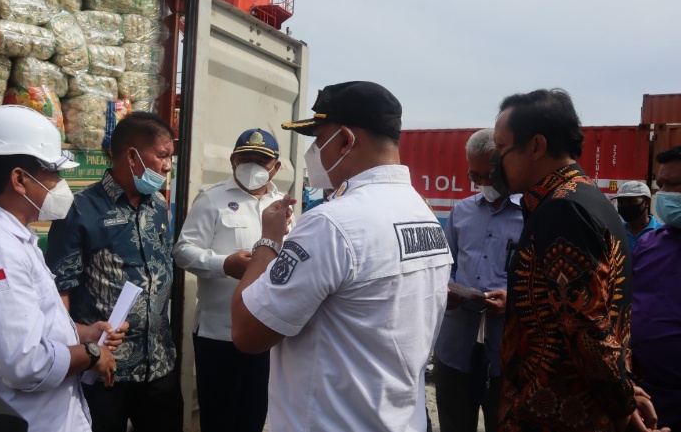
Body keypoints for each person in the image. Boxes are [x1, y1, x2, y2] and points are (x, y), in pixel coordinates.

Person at [230, 81, 453, 431]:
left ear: (346, 140)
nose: (314, 152)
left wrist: (268, 243)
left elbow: (247, 332)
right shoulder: (423, 214)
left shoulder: (332, 223)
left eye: (319, 141)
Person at [0, 105, 127, 432]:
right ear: (19, 180)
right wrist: (93, 353)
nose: (60, 184)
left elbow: (32, 324)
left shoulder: (16, 237)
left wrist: (84, 333)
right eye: (53, 173)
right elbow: (26, 364)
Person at [491, 88, 666, 432]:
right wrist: (625, 391)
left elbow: (588, 326)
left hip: (556, 413)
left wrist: (622, 407)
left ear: (536, 146)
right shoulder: (587, 198)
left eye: (501, 148)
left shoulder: (562, 210)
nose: (498, 161)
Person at [46, 112, 183, 432]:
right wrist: (77, 350)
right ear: (133, 156)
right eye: (162, 156)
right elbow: (59, 291)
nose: (167, 167)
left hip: (159, 363)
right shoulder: (80, 210)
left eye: (170, 158)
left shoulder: (159, 206)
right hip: (106, 371)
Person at [173, 128, 292, 432]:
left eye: (261, 161)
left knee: (254, 418)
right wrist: (224, 264)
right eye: (245, 158)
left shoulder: (283, 207)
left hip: (265, 334)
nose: (251, 166)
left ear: (275, 167)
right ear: (232, 160)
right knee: (219, 420)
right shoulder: (212, 199)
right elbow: (183, 252)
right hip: (218, 335)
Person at [433, 128, 523, 432]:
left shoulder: (534, 216)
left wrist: (515, 300)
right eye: (475, 176)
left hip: (508, 358)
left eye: (491, 175)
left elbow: (544, 281)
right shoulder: (461, 212)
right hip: (455, 349)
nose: (484, 184)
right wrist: (447, 289)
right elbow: (445, 265)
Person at [631, 145, 681, 431]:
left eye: (674, 185)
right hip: (648, 394)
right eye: (661, 185)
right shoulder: (650, 244)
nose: (664, 195)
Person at [612, 181, 662, 252]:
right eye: (621, 202)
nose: (625, 206)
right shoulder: (615, 232)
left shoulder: (662, 232)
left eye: (631, 201)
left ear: (647, 202)